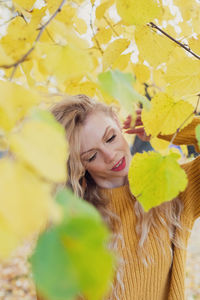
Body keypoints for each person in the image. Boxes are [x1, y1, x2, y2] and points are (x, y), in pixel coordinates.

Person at [50, 94, 200, 300]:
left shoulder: (171, 186)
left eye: (110, 138)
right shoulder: (70, 222)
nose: (110, 155)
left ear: (118, 123)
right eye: (92, 156)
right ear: (79, 165)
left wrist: (170, 125)